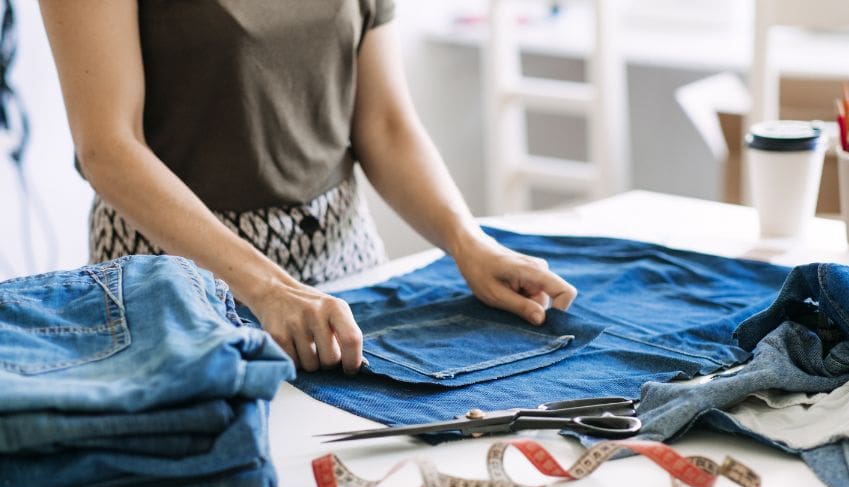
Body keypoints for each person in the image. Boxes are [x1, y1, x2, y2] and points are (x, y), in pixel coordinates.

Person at [38, 0, 577, 375]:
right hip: (174, 272)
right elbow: (109, 148)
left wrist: (467, 242)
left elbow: (384, 125)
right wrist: (271, 289)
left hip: (344, 265)